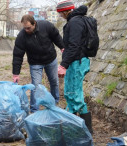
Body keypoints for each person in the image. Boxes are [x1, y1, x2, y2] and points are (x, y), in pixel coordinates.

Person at [12, 14, 64, 113]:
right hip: (35, 63)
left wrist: (62, 47)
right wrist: (15, 73)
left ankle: (54, 104)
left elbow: (56, 36)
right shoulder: (22, 36)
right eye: (24, 28)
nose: (26, 30)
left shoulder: (46, 26)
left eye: (28, 28)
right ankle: (34, 110)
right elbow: (18, 55)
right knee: (35, 86)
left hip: (50, 60)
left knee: (54, 82)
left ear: (34, 24)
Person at [56, 0, 93, 133]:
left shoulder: (75, 22)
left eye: (61, 13)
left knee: (75, 95)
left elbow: (74, 45)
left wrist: (63, 65)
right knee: (70, 94)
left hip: (77, 62)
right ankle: (72, 126)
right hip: (74, 61)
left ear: (66, 11)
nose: (60, 16)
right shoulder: (74, 21)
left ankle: (87, 130)